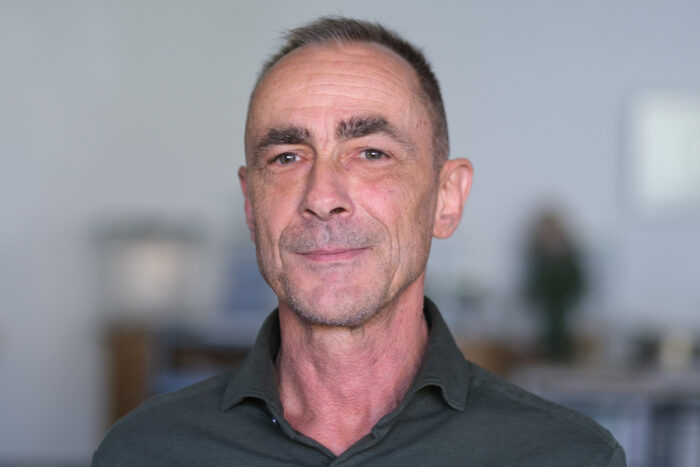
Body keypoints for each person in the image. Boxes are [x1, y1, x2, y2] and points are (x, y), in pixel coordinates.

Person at [93, 17, 626, 466]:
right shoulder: (144, 452)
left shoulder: (564, 455)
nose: (322, 197)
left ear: (446, 198)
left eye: (372, 153)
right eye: (286, 157)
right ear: (251, 205)